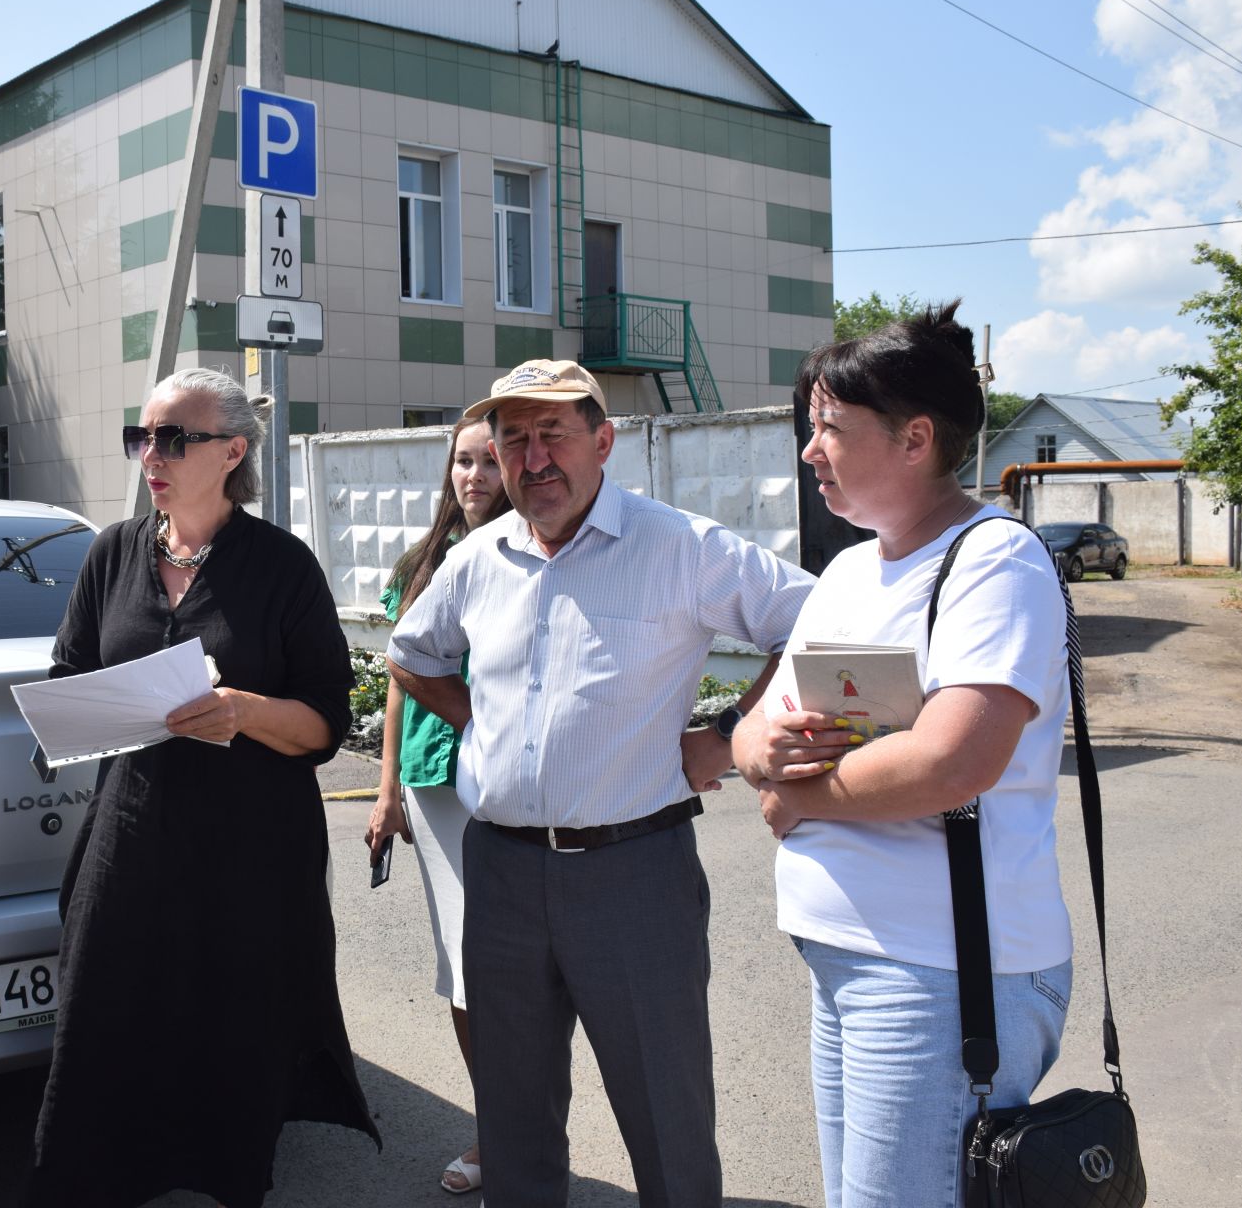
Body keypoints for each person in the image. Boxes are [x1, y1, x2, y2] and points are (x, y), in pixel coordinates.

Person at [386, 359, 814, 1208]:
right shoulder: (478, 558)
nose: (533, 458)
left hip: (633, 875)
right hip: (501, 871)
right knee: (512, 1118)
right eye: (514, 440)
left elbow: (817, 620)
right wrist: (486, 725)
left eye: (554, 435)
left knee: (667, 1116)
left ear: (604, 440)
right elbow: (410, 654)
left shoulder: (679, 546)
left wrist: (730, 737)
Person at [731, 302, 1073, 1208]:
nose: (811, 453)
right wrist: (761, 751)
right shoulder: (848, 570)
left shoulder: (994, 562)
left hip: (941, 969)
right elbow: (755, 720)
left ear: (915, 437)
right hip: (852, 957)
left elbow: (955, 760)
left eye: (832, 430)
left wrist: (802, 797)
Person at [27, 367, 379, 1208]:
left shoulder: (283, 567)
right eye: (141, 436)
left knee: (232, 1051)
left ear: (232, 452)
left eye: (173, 438)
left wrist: (244, 709)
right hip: (131, 848)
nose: (152, 454)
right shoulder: (112, 552)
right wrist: (89, 715)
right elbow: (70, 674)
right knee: (107, 1044)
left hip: (249, 863)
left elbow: (328, 723)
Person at [363, 415, 510, 1198]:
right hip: (432, 785)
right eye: (462, 461)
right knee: (461, 966)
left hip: (515, 781)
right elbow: (397, 676)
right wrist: (387, 788)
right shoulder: (420, 564)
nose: (475, 476)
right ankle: (498, 1129)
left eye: (490, 461)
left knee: (518, 965)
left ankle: (525, 1123)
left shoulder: (533, 555)